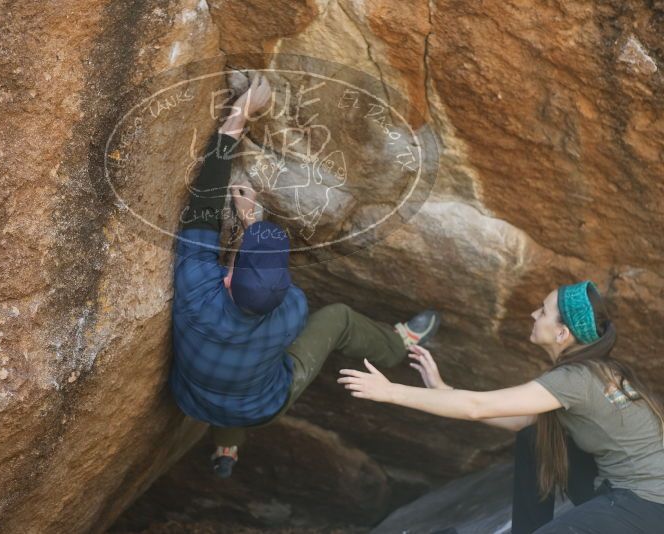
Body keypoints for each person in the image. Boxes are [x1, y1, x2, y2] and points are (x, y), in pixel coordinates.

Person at [169, 72, 441, 478]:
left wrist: (237, 117)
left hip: (190, 399)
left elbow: (204, 205)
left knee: (241, 367)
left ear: (228, 278)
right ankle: (396, 345)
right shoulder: (291, 311)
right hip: (260, 406)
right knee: (337, 321)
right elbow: (255, 285)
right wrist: (252, 230)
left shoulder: (195, 293)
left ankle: (227, 445)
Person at [339, 280, 664, 532]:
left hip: (646, 506)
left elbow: (477, 407)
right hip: (624, 495)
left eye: (543, 310)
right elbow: (522, 420)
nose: (533, 315)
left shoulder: (575, 379)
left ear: (562, 332)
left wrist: (390, 391)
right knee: (534, 438)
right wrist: (444, 389)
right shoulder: (599, 369)